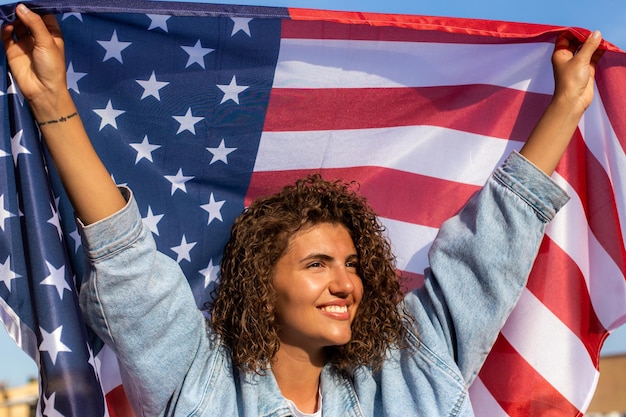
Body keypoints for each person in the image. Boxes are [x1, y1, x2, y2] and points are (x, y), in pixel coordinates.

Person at [2, 4, 603, 416]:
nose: (347, 281)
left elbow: (486, 260)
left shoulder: (408, 372)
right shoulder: (198, 380)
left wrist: (566, 108)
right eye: (318, 263)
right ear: (263, 286)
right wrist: (52, 100)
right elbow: (126, 258)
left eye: (351, 263)